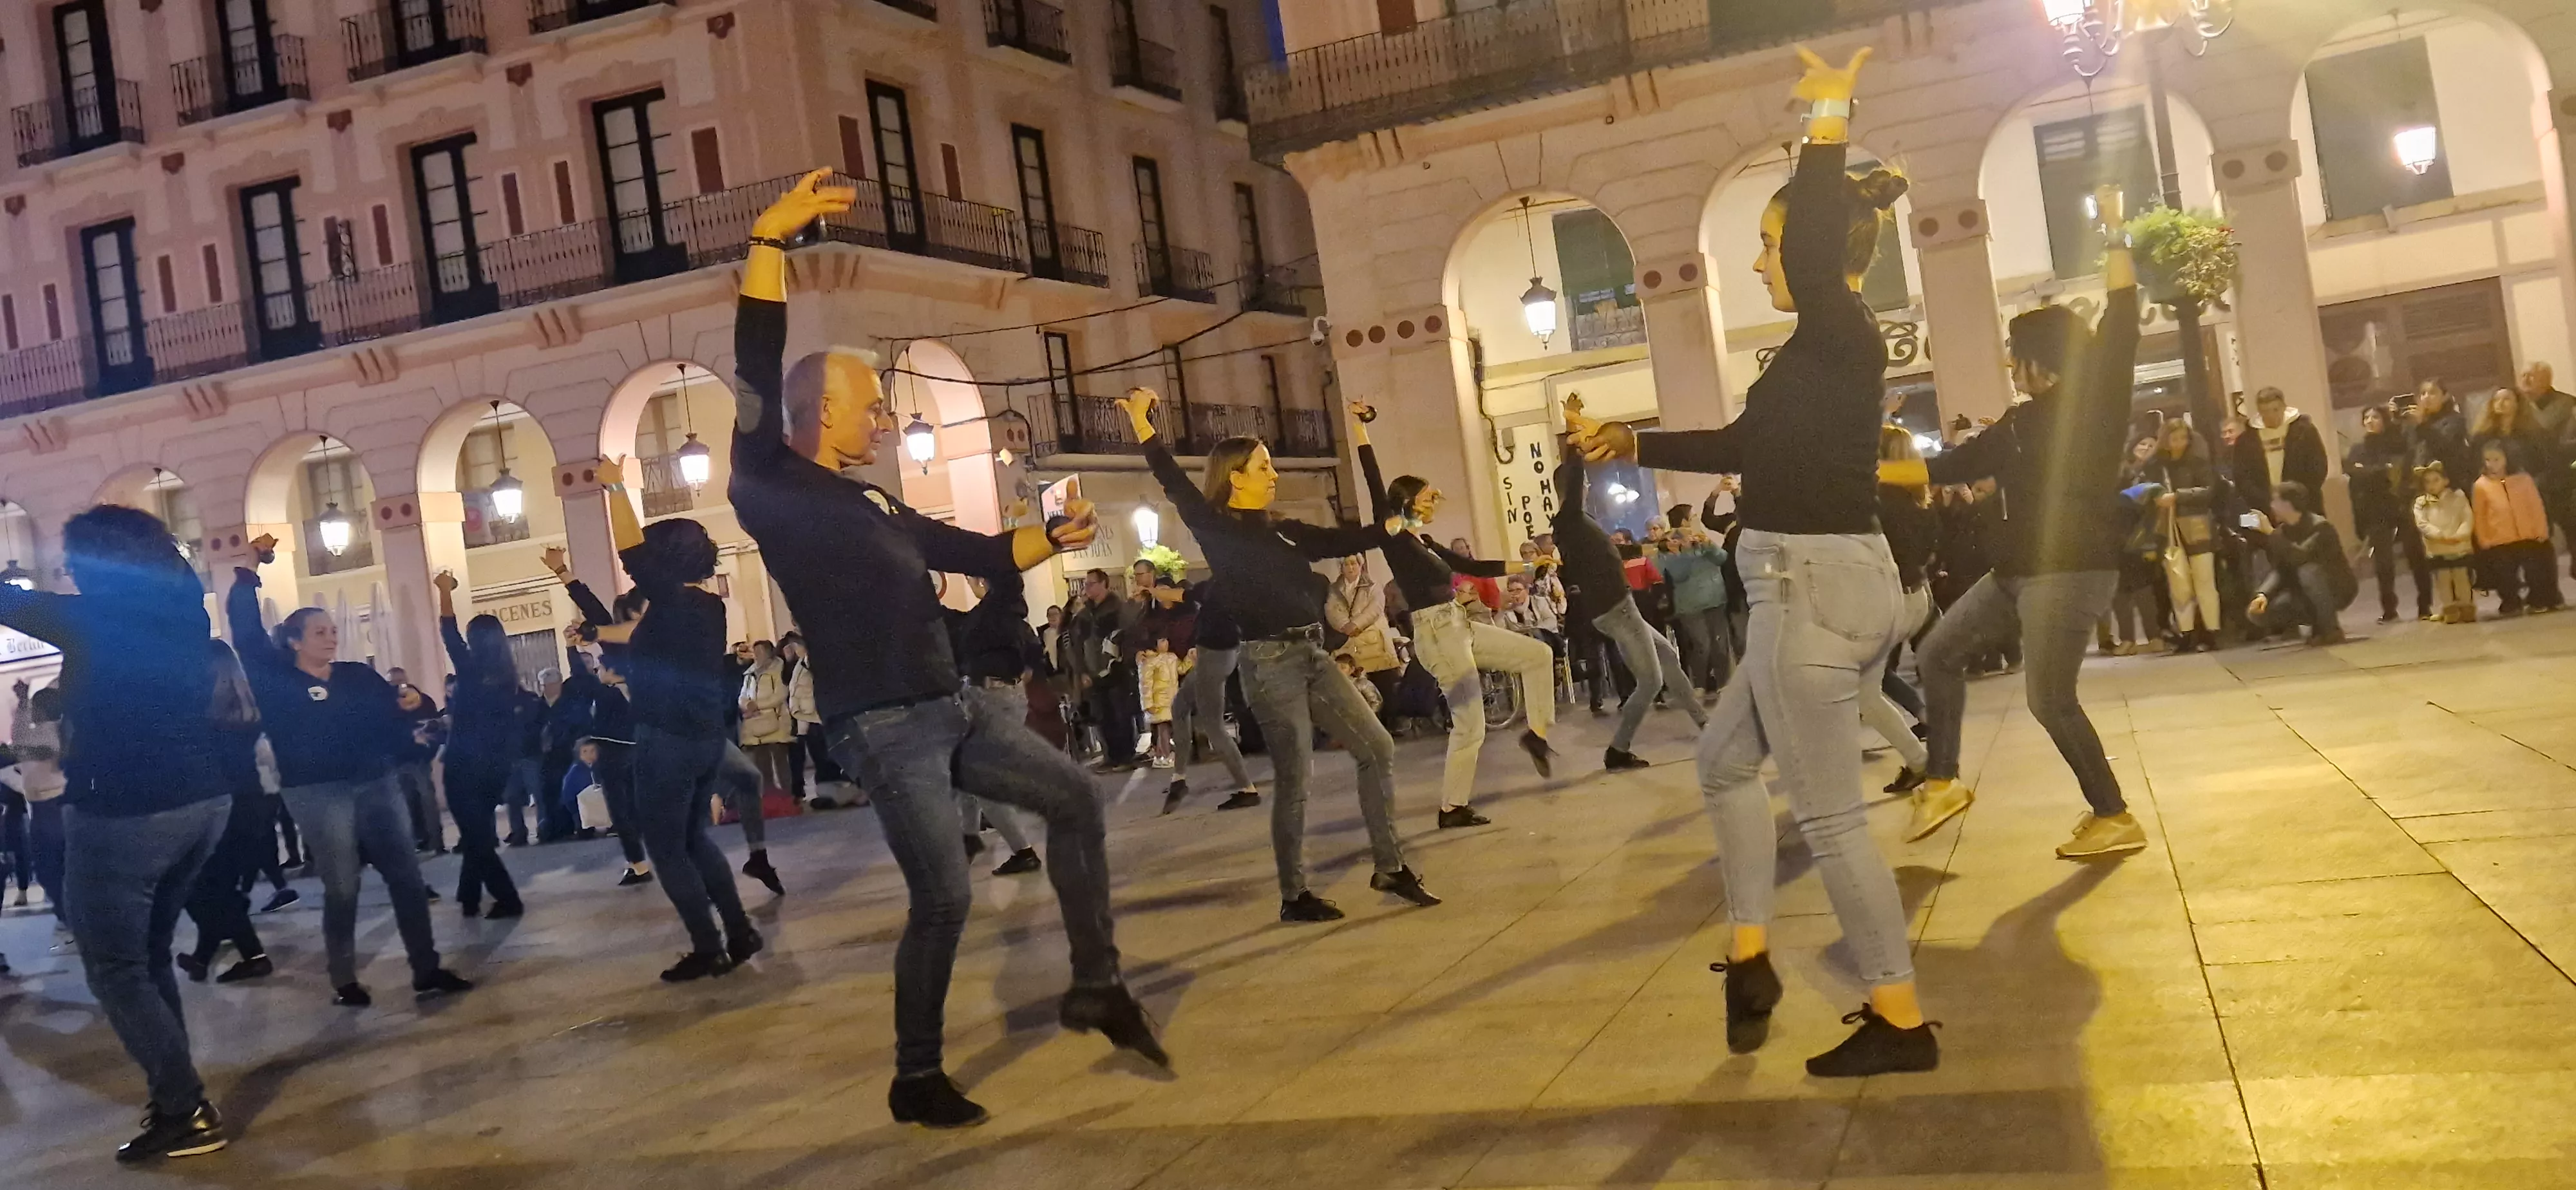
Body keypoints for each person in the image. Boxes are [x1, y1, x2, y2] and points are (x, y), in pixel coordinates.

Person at [728, 171, 1162, 1127]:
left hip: (949, 705)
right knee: (945, 898)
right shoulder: (766, 484)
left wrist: (1054, 536)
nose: (882, 418)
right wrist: (768, 242)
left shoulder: (869, 501)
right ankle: (914, 1076)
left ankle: (1096, 983)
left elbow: (969, 550)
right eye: (868, 404)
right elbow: (757, 369)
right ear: (818, 414)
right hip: (882, 728)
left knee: (1076, 800)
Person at [1571, 46, 1936, 1077]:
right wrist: (1635, 444)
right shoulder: (1825, 353)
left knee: (1828, 819)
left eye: (1769, 248)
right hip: (1826, 582)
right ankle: (1747, 951)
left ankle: (1899, 1017)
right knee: (1725, 763)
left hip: (1805, 588)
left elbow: (1815, 246)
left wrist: (1827, 120)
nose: (1763, 266)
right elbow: (1743, 446)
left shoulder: (1837, 321)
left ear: (1823, 257)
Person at [1119, 382, 1441, 920]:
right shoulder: (1215, 527)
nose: (1274, 475)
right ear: (1235, 477)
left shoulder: (1284, 530)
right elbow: (1172, 480)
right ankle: (1294, 895)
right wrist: (1141, 421)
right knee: (1296, 779)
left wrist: (1391, 521)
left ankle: (1389, 868)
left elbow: (1345, 541)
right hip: (1268, 665)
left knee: (1378, 748)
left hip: (1315, 655)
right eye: (1264, 467)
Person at [1909, 170, 2145, 860]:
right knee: (1936, 654)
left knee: (2048, 698)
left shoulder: (2096, 403)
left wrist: (2113, 228)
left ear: (2040, 359)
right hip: (2017, 570)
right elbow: (1948, 464)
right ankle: (1944, 780)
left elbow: (2124, 315)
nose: (2010, 365)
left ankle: (2113, 815)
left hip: (2070, 569)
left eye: (2016, 355)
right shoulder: (2014, 424)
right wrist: (1865, 470)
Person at [0, 505, 234, 1161]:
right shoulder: (186, 607)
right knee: (148, 955)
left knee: (114, 966)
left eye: (77, 560)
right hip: (204, 797)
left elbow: (13, 603)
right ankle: (175, 1099)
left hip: (127, 808)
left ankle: (184, 1110)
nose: (70, 571)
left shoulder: (90, 619)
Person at [231, 543, 472, 1006]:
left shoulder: (357, 677)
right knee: (343, 884)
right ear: (295, 641)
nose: (331, 637)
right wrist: (247, 571)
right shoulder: (276, 679)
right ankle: (344, 979)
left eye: (333, 630)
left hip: (376, 782)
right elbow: (245, 631)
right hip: (317, 792)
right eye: (319, 632)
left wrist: (414, 704)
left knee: (406, 875)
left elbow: (393, 718)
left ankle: (427, 968)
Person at [583, 459, 765, 981]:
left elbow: (630, 550)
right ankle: (738, 932)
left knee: (666, 848)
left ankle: (710, 946)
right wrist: (601, 636)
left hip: (666, 740)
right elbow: (640, 638)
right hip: (705, 739)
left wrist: (616, 487)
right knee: (693, 841)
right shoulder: (705, 608)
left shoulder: (668, 601)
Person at [1350, 402, 1557, 827]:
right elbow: (1374, 484)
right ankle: (1452, 807)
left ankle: (1536, 735)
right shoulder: (1392, 533)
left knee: (1537, 656)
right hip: (1437, 635)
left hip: (1460, 625)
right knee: (1470, 724)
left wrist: (1529, 565)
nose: (1434, 501)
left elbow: (1477, 568)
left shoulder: (1424, 540)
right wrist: (1361, 429)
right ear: (1406, 500)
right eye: (1427, 496)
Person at [1555, 393, 1709, 770]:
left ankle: (1705, 723)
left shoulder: (1576, 525)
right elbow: (1575, 481)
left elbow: (1601, 560)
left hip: (1619, 607)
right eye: (1583, 486)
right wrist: (1573, 426)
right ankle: (1618, 749)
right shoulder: (1569, 519)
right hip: (1615, 610)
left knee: (1667, 658)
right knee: (1651, 682)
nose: (1589, 488)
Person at [543, 548, 654, 886]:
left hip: (640, 736)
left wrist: (621, 680)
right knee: (621, 807)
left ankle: (656, 859)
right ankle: (638, 863)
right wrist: (563, 571)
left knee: (640, 804)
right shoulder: (619, 646)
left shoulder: (650, 647)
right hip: (613, 738)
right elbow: (593, 610)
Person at [176, 640, 273, 986]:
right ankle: (203, 957)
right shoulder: (247, 710)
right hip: (251, 804)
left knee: (200, 886)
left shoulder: (204, 716)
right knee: (217, 885)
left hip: (222, 807)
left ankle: (255, 955)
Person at [431, 571, 527, 918]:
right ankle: (469, 894)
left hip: (465, 762)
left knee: (475, 833)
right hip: (495, 767)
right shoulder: (508, 677)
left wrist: (444, 591)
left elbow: (448, 633)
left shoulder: (470, 670)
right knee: (477, 829)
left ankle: (508, 898)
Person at [945, 569, 1048, 877]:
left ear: (983, 583)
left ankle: (1023, 851)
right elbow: (1035, 656)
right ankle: (969, 835)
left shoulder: (989, 617)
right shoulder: (1015, 618)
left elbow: (960, 633)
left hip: (990, 696)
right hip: (1006, 693)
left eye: (973, 580)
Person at [1868, 425, 1935, 791]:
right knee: (1869, 681)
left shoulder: (1878, 497)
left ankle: (1923, 760)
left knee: (1864, 688)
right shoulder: (1915, 495)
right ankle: (1921, 754)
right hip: (1916, 595)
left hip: (1890, 599)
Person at [1163, 573, 1262, 815]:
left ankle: (1247, 789)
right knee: (1180, 707)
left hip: (1216, 658)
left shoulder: (1224, 587)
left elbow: (1182, 597)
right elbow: (1183, 596)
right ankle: (1179, 778)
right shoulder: (1225, 583)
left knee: (1214, 726)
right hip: (1215, 656)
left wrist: (1152, 591)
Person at [2345, 404, 2432, 624]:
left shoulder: (2398, 443)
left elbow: (2400, 468)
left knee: (2416, 556)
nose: (2370, 421)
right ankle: (2389, 609)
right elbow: (2355, 477)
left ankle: (2425, 605)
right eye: (2366, 418)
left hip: (2402, 504)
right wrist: (2377, 472)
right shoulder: (2359, 448)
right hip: (2376, 510)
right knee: (2383, 562)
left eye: (2375, 417)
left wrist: (2370, 472)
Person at [2143, 419, 2226, 652]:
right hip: (2168, 528)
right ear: (2165, 440)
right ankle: (2187, 633)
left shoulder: (2198, 462)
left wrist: (2178, 496)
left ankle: (2211, 632)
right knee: (2178, 584)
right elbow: (2144, 491)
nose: (2179, 443)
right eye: (2174, 439)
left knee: (2204, 580)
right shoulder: (2155, 466)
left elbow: (2209, 491)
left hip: (2197, 524)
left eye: (2183, 438)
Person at [2245, 482, 2358, 644]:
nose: (2272, 506)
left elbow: (2300, 556)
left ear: (2289, 504)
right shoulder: (2283, 532)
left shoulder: (2320, 527)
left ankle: (2332, 629)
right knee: (2258, 613)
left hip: (2338, 588)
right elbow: (2280, 570)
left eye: (2275, 501)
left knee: (2308, 572)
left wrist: (2271, 532)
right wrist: (2263, 594)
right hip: (2303, 592)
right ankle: (2318, 628)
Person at [2472, 440, 2562, 614]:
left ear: (2507, 459)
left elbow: (2536, 507)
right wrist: (2483, 538)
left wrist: (2541, 531)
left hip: (2527, 535)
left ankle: (2538, 599)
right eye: (2488, 460)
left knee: (2534, 572)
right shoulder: (2481, 486)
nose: (2491, 464)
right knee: (2505, 576)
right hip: (2500, 539)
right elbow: (2480, 515)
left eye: (2497, 459)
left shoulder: (2524, 480)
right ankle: (2511, 601)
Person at [1068, 569, 1138, 770]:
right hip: (1092, 672)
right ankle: (1111, 756)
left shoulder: (1118, 609)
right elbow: (1077, 644)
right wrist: (1081, 671)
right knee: (1102, 715)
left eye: (1091, 583)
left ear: (1104, 584)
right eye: (1086, 584)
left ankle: (1125, 756)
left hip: (1116, 672)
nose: (1087, 588)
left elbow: (1126, 638)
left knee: (1120, 714)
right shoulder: (1084, 614)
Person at [1656, 522, 1733, 696]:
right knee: (1702, 644)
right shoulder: (1670, 556)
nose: (1689, 540)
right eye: (1683, 538)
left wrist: (1709, 545)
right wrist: (1684, 553)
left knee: (1720, 644)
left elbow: (1723, 558)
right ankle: (1700, 683)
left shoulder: (1705, 550)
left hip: (1716, 601)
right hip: (1690, 606)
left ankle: (1724, 682)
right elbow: (1679, 574)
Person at [2231, 387, 2329, 513]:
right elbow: (2242, 477)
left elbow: (2318, 467)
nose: (2271, 416)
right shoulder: (2247, 439)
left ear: (2284, 407)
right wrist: (2264, 501)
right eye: (2265, 411)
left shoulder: (2304, 431)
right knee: (2251, 527)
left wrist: (2298, 496)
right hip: (2263, 507)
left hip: (2304, 505)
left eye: (2275, 410)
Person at [2415, 462, 2479, 623]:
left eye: (2436, 480)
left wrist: (2461, 535)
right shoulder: (2421, 503)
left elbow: (2467, 517)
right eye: (2427, 482)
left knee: (2461, 577)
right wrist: (2439, 535)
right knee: (2443, 579)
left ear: (2446, 480)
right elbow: (2422, 524)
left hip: (2459, 545)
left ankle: (2466, 607)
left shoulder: (2458, 497)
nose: (2431, 485)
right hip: (2438, 548)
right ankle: (2449, 608)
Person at [737, 639, 795, 797]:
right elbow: (742, 696)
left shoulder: (780, 669)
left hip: (776, 722)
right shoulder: (750, 673)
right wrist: (747, 704)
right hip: (755, 726)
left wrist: (757, 706)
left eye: (760, 651)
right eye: (755, 652)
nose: (757, 655)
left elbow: (781, 695)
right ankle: (770, 799)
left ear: (769, 652)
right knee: (762, 766)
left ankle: (787, 797)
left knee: (781, 763)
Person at [393, 683, 445, 853]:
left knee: (426, 801)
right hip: (401, 761)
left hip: (418, 761)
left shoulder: (424, 703)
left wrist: (428, 750)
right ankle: (420, 840)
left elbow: (434, 729)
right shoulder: (390, 704)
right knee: (409, 803)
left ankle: (435, 842)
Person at [2410, 380, 2479, 510]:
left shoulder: (2455, 420)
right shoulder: (2417, 424)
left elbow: (2443, 446)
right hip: (2427, 491)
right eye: (2423, 393)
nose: (2426, 397)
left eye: (2432, 393)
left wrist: (2422, 424)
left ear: (2445, 396)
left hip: (2452, 487)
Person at [1139, 636, 1181, 771]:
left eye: (1167, 640)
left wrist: (1190, 660)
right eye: (1162, 641)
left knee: (1167, 728)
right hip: (1158, 702)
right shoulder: (1150, 661)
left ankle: (1160, 755)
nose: (1166, 643)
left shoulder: (1172, 658)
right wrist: (1148, 704)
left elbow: (1181, 669)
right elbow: (1146, 684)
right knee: (1163, 729)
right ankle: (1165, 755)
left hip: (1171, 700)